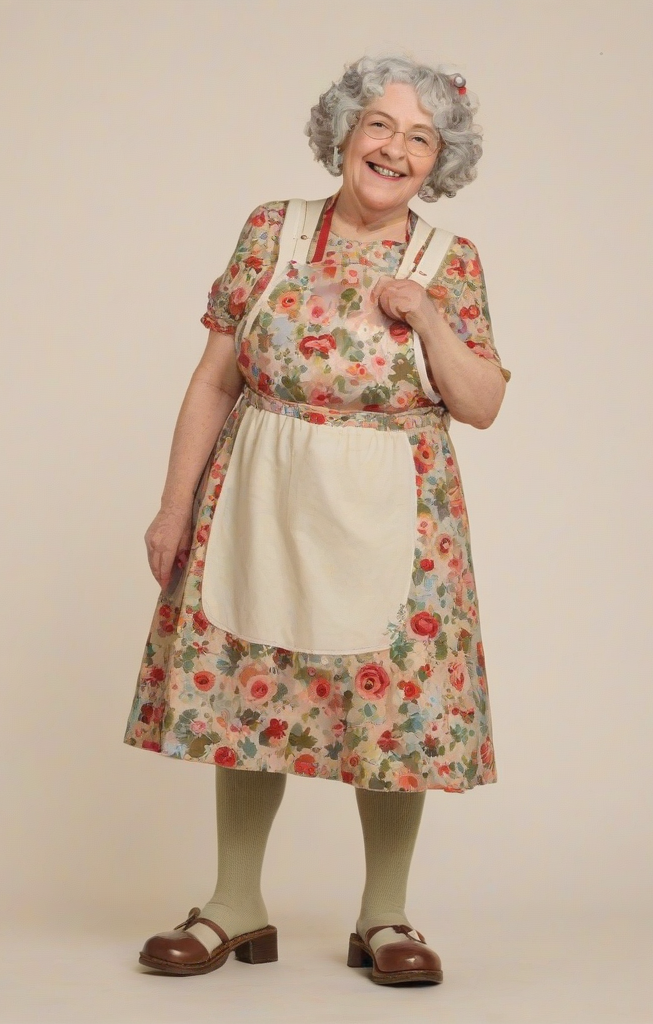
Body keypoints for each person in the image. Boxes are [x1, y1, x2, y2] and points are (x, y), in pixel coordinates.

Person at [124, 53, 511, 986]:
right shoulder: (273, 230)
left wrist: (427, 318)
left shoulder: (447, 263)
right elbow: (215, 376)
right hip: (258, 490)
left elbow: (484, 401)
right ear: (344, 130)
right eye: (380, 124)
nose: (395, 149)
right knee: (252, 681)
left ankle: (385, 918)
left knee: (394, 709)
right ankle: (234, 907)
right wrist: (173, 507)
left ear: (439, 163)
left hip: (394, 509)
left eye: (421, 138)